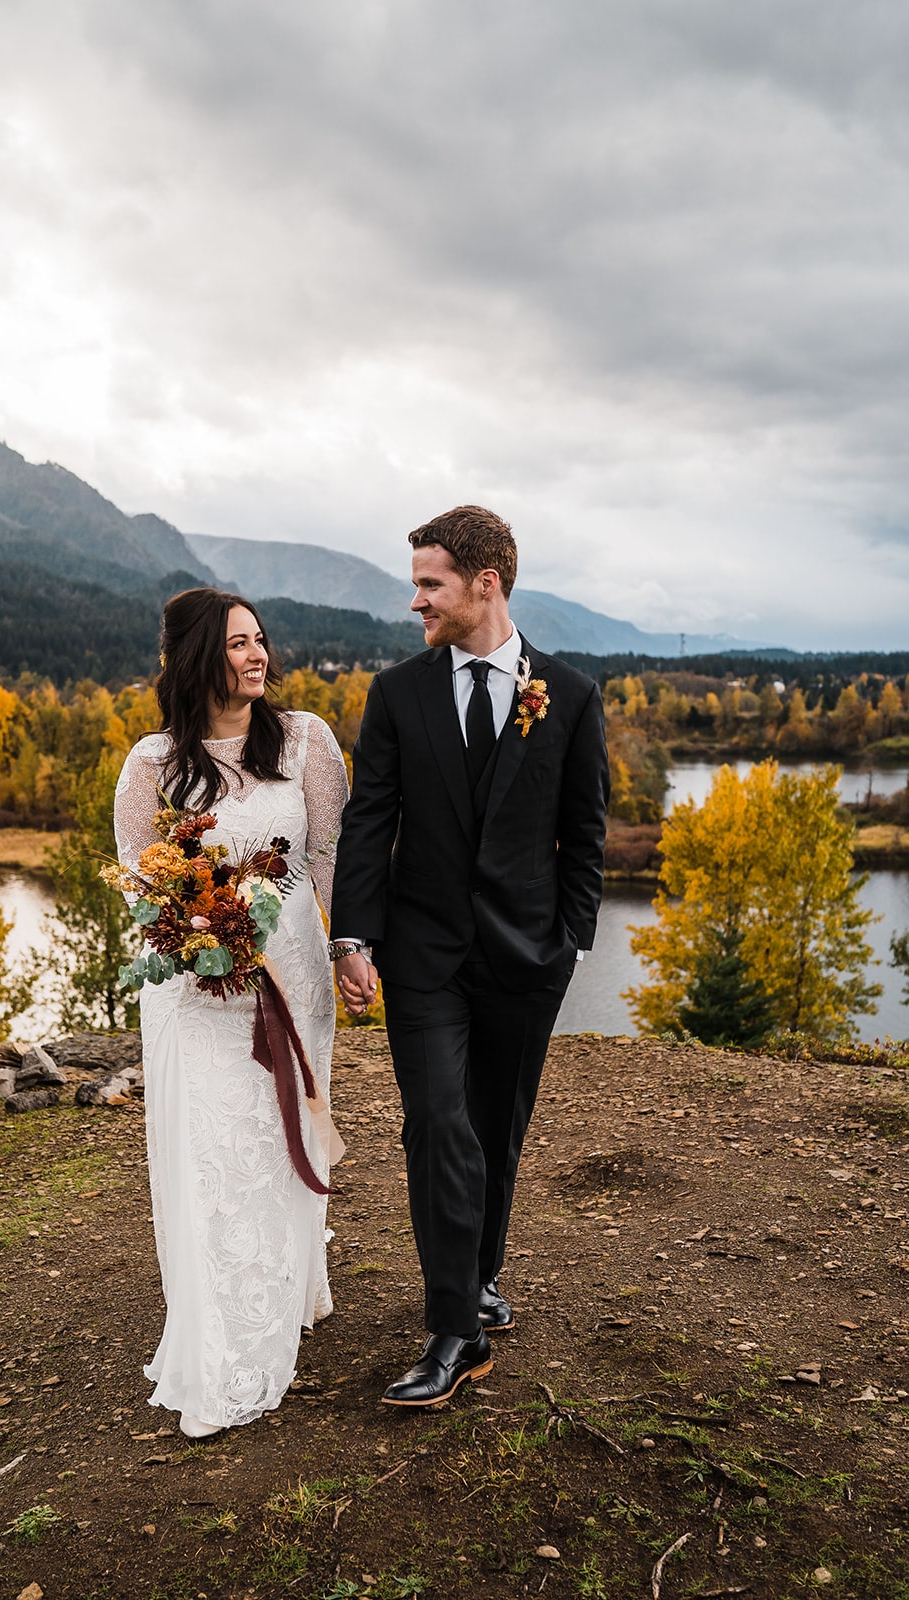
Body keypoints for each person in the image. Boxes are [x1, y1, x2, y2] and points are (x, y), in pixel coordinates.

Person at [330, 506, 608, 1407]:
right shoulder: (397, 694)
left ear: (484, 584)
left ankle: (480, 1276)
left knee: (496, 1130)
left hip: (528, 959)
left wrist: (568, 942)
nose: (415, 602)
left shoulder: (567, 695)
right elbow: (369, 822)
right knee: (437, 1124)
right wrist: (352, 935)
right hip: (423, 958)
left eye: (429, 584)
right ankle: (454, 1329)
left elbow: (585, 833)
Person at [114, 588, 349, 1437]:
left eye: (260, 640)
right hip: (197, 996)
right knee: (214, 1153)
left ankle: (287, 1286)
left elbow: (326, 862)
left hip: (289, 979)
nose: (257, 656)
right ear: (195, 657)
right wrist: (195, 933)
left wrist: (348, 948)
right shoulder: (152, 765)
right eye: (237, 643)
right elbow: (142, 890)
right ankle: (223, 1339)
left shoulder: (306, 742)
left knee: (278, 1144)